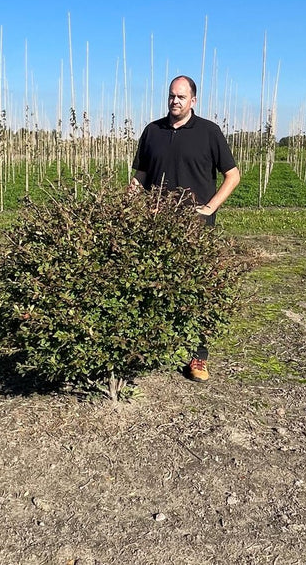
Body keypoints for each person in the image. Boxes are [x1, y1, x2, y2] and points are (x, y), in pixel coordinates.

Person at [130, 75, 240, 382]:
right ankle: (152, 347)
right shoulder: (152, 131)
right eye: (171, 96)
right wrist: (126, 206)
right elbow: (140, 176)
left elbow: (232, 175)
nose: (174, 101)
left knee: (198, 289)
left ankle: (198, 356)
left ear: (193, 100)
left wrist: (209, 208)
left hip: (196, 227)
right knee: (153, 283)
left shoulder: (209, 132)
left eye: (181, 97)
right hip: (155, 224)